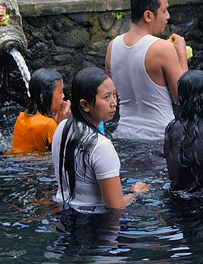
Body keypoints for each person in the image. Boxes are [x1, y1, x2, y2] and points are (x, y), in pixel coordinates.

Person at [52, 67, 148, 211]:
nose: (114, 102)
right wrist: (135, 193)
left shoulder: (62, 127)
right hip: (93, 222)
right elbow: (115, 206)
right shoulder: (101, 146)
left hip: (64, 213)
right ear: (85, 105)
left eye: (114, 95)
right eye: (106, 97)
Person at [105, 0, 188, 140]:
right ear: (148, 15)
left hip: (123, 134)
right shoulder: (162, 48)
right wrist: (182, 55)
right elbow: (182, 98)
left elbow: (110, 95)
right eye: (164, 11)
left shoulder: (112, 46)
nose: (168, 16)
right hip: (159, 136)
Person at [11, 68, 71, 153]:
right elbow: (63, 153)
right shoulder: (48, 124)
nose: (63, 96)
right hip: (37, 165)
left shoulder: (21, 116)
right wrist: (63, 123)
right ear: (43, 98)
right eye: (60, 92)